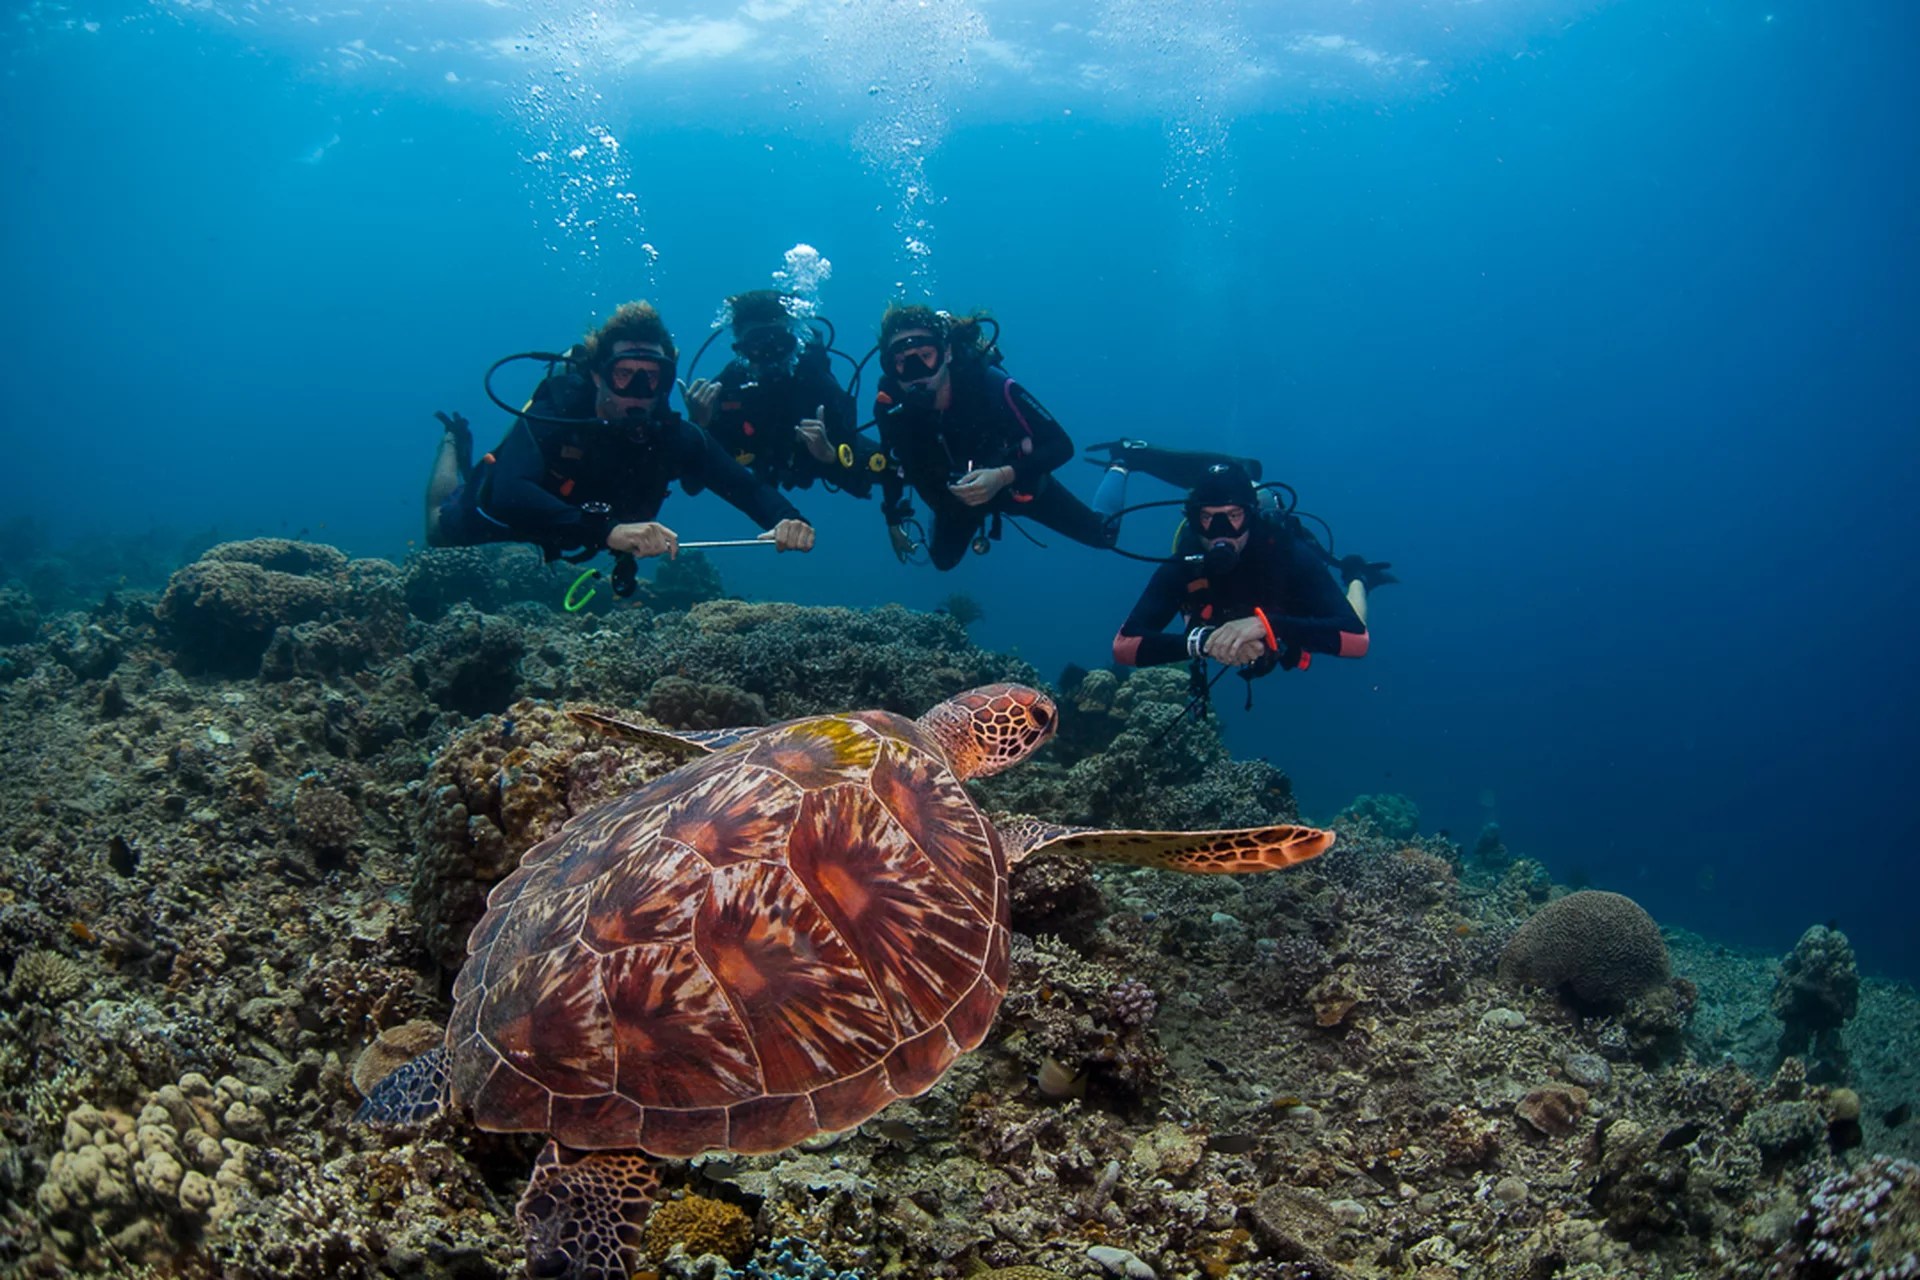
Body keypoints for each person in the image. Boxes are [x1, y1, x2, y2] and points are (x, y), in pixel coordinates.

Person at [425, 302, 814, 578]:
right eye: (624, 375)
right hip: (519, 516)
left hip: (584, 527)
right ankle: (452, 441)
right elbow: (508, 491)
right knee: (439, 529)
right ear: (597, 376)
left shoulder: (674, 436)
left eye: (653, 376)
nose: (640, 390)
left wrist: (788, 519)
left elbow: (744, 486)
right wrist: (606, 531)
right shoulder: (558, 413)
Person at [871, 305, 1129, 570]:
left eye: (925, 356)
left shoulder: (989, 384)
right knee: (942, 561)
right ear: (890, 366)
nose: (917, 372)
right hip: (958, 500)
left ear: (946, 353)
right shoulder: (890, 407)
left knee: (1104, 535)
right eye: (902, 362)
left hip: (1015, 486)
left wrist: (1003, 476)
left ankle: (1121, 461)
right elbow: (891, 461)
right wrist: (893, 519)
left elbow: (1061, 445)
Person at [1113, 462, 1381, 679]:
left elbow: (1357, 639)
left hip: (1287, 613)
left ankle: (1357, 575)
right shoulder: (1187, 561)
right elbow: (1124, 646)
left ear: (1250, 516)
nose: (1221, 531)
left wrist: (1265, 626)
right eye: (1207, 518)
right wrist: (1205, 642)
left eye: (1233, 516)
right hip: (1218, 625)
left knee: (1349, 611)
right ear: (1194, 521)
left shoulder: (1285, 551)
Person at [677, 290, 885, 498]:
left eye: (779, 344)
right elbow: (691, 486)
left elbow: (859, 485)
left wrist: (828, 455)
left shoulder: (816, 383)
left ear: (793, 344)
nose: (770, 356)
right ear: (740, 350)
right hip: (756, 460)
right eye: (757, 346)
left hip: (811, 462)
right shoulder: (723, 391)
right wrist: (699, 425)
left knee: (891, 468)